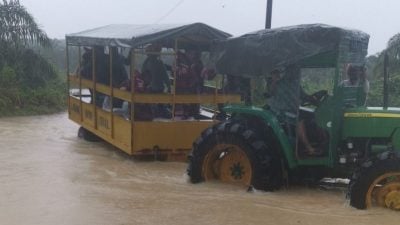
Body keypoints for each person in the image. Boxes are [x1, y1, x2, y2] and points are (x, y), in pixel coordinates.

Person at [141, 44, 171, 118]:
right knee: (159, 107)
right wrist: (169, 86)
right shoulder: (158, 63)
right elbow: (165, 76)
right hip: (156, 89)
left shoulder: (145, 63)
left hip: (149, 89)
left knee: (153, 106)